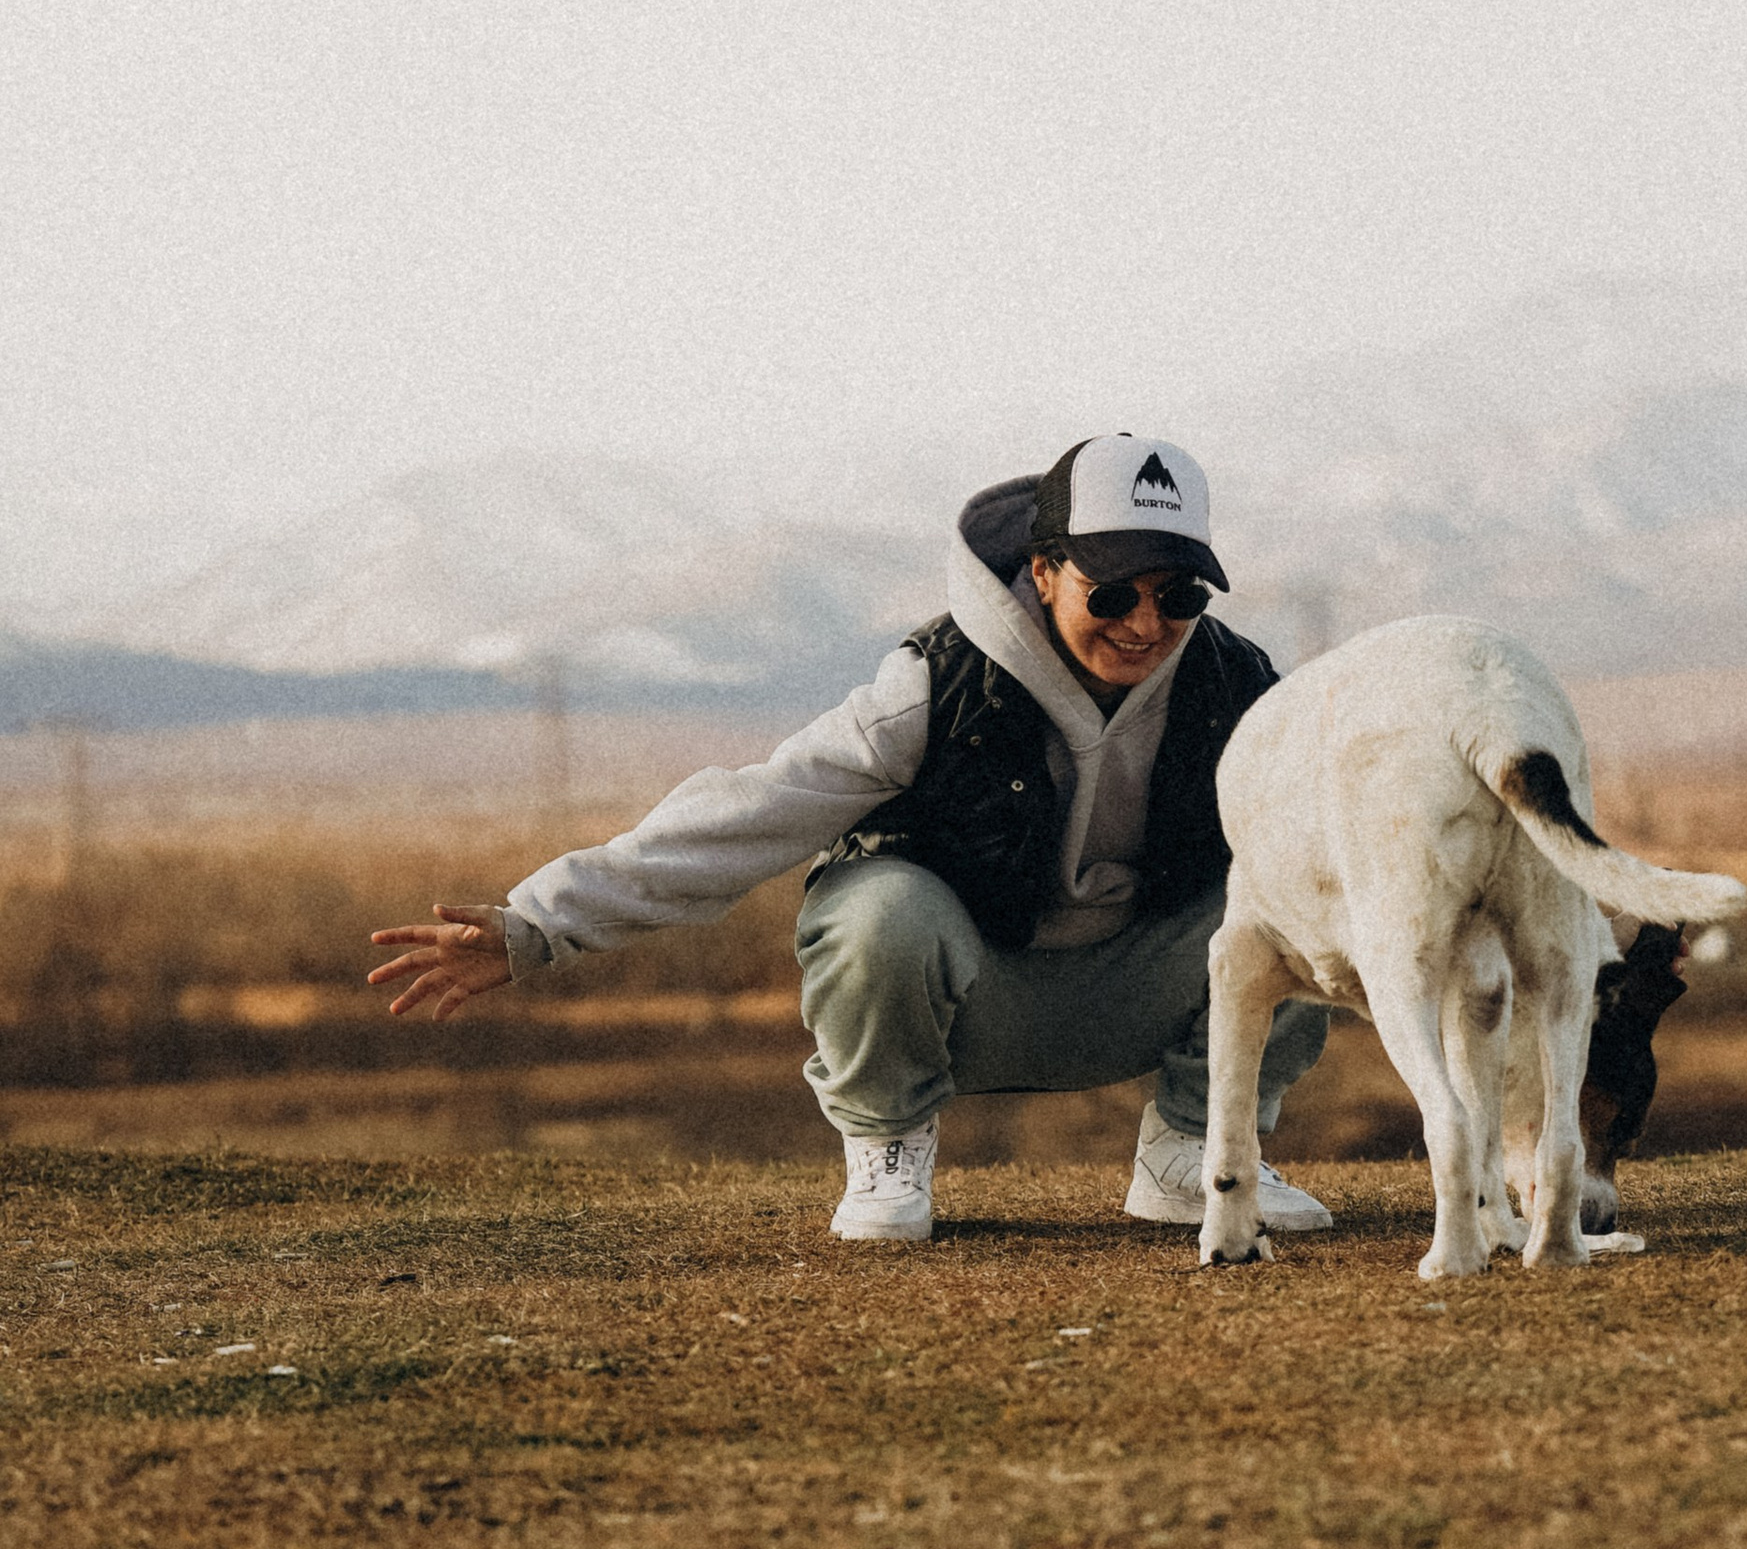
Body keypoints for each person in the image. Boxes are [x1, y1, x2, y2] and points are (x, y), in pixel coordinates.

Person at [367, 434, 1334, 1246]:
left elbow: (1352, 838)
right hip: (963, 996)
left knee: (1301, 894)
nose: (1146, 623)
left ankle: (1199, 1157)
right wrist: (536, 923)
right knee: (877, 906)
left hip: (1143, 987)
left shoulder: (1239, 690)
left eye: (1178, 596)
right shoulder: (937, 686)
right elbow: (746, 816)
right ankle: (887, 1154)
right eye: (1114, 592)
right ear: (1043, 571)